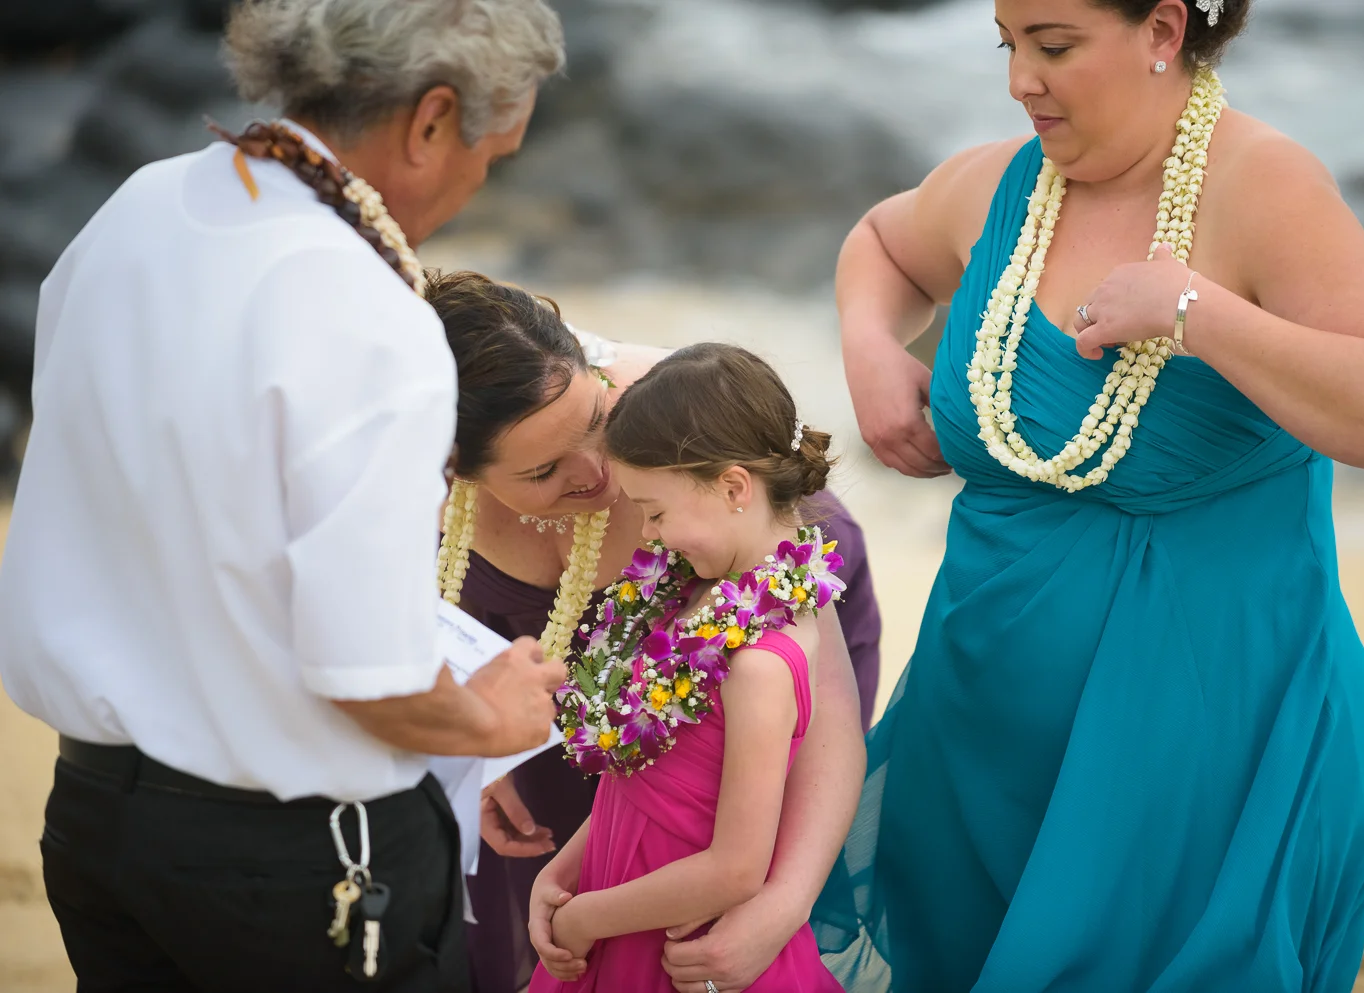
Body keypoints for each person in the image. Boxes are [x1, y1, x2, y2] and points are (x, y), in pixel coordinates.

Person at [811, 1, 1364, 991]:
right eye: (1008, 45)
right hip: (977, 742)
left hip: (1205, 759)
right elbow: (880, 245)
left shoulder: (1263, 186)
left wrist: (1190, 309)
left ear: (1161, 31)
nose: (1022, 79)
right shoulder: (1000, 189)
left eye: (1055, 47)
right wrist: (869, 351)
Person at [0, 2, 569, 990]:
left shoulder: (140, 205)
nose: (484, 181)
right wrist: (491, 720)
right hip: (297, 862)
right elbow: (371, 676)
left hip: (96, 816)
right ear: (432, 119)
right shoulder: (364, 311)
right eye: (494, 151)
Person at [420, 271, 874, 993]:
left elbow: (827, 732)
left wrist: (779, 908)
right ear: (455, 472)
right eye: (543, 469)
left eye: (594, 421)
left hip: (713, 770)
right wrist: (472, 745)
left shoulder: (688, 471)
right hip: (587, 787)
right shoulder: (412, 489)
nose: (597, 471)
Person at [527, 342, 847, 992]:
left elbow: (736, 868)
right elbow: (648, 773)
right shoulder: (682, 589)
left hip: (668, 930)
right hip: (614, 880)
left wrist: (589, 918)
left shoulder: (760, 659)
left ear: (733, 486)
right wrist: (562, 870)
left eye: (657, 511)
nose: (646, 534)